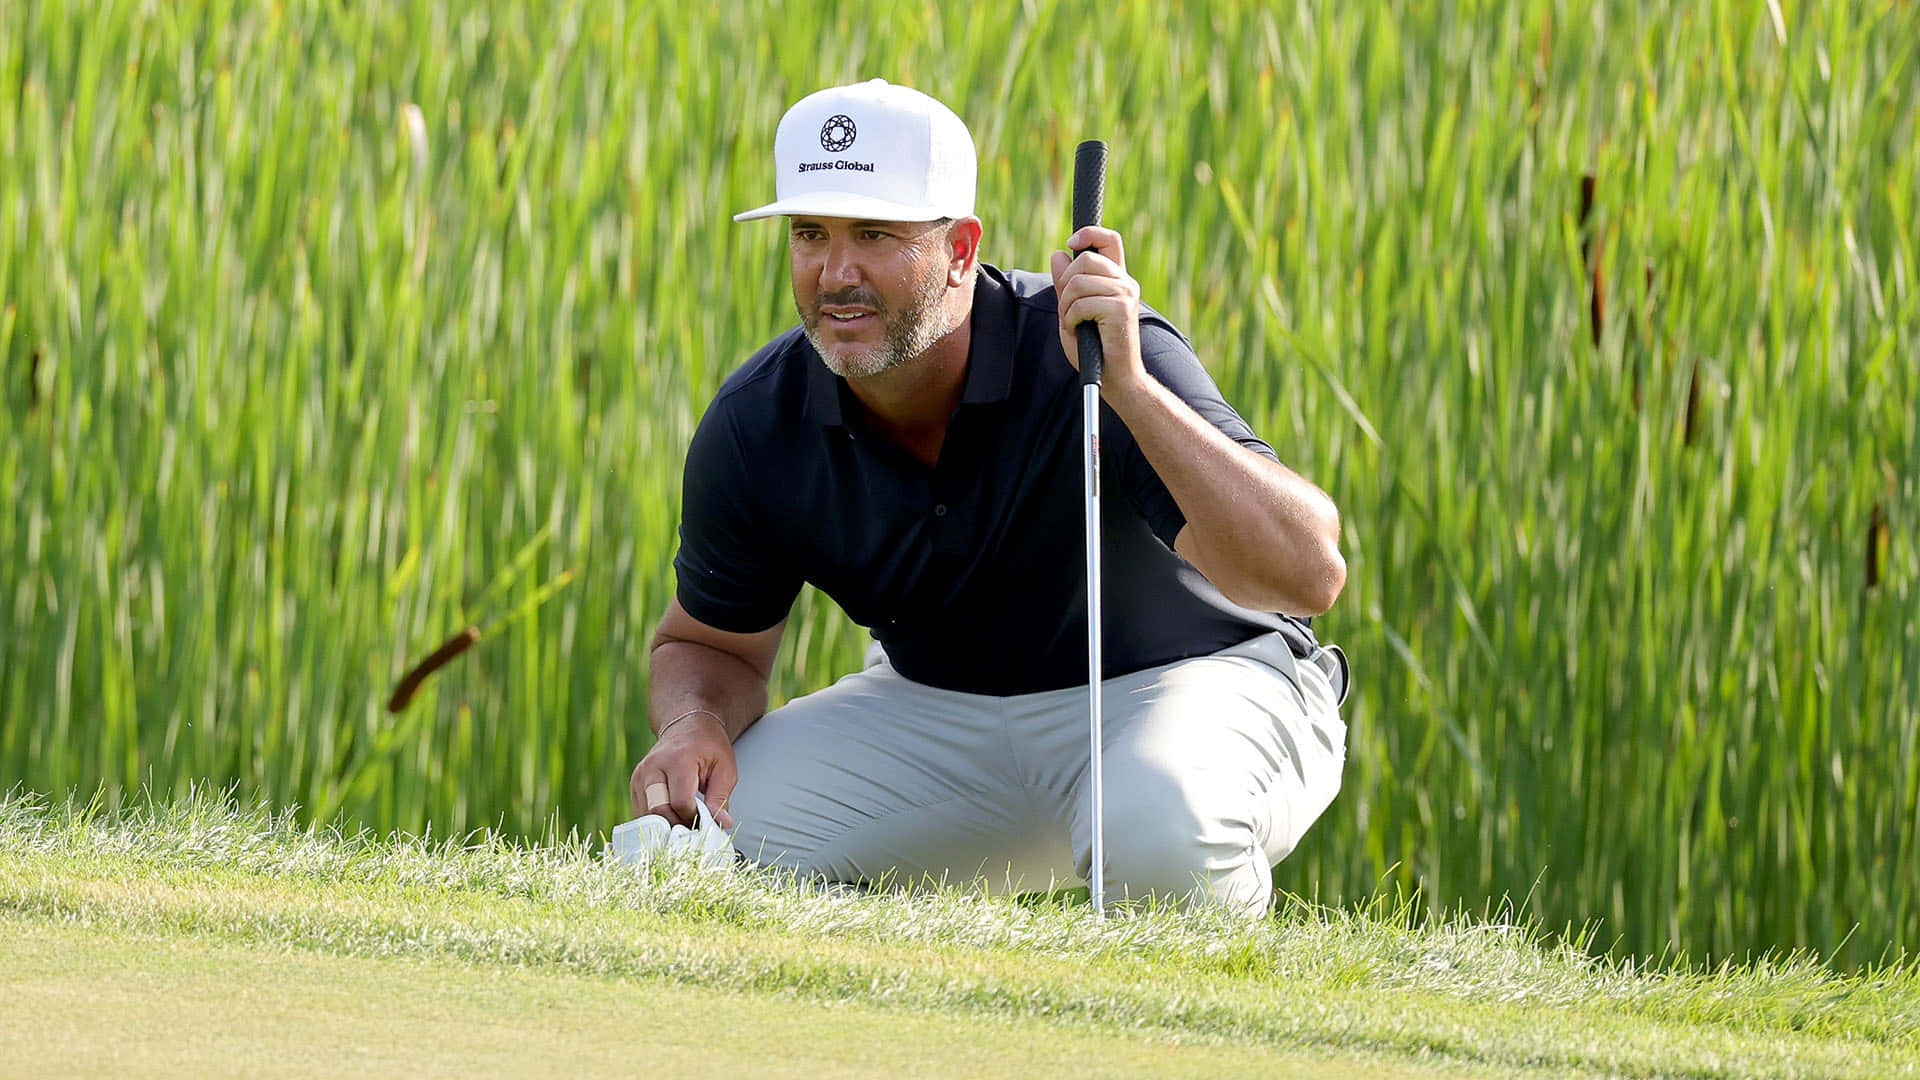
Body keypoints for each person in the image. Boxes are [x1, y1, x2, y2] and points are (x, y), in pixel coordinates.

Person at [629, 78, 1350, 914]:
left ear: (962, 250)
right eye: (810, 234)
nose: (835, 272)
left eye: (874, 234)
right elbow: (709, 648)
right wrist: (693, 722)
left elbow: (1308, 574)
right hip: (944, 715)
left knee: (1158, 833)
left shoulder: (1092, 353)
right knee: (696, 842)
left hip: (1196, 681)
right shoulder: (759, 420)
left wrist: (1134, 395)